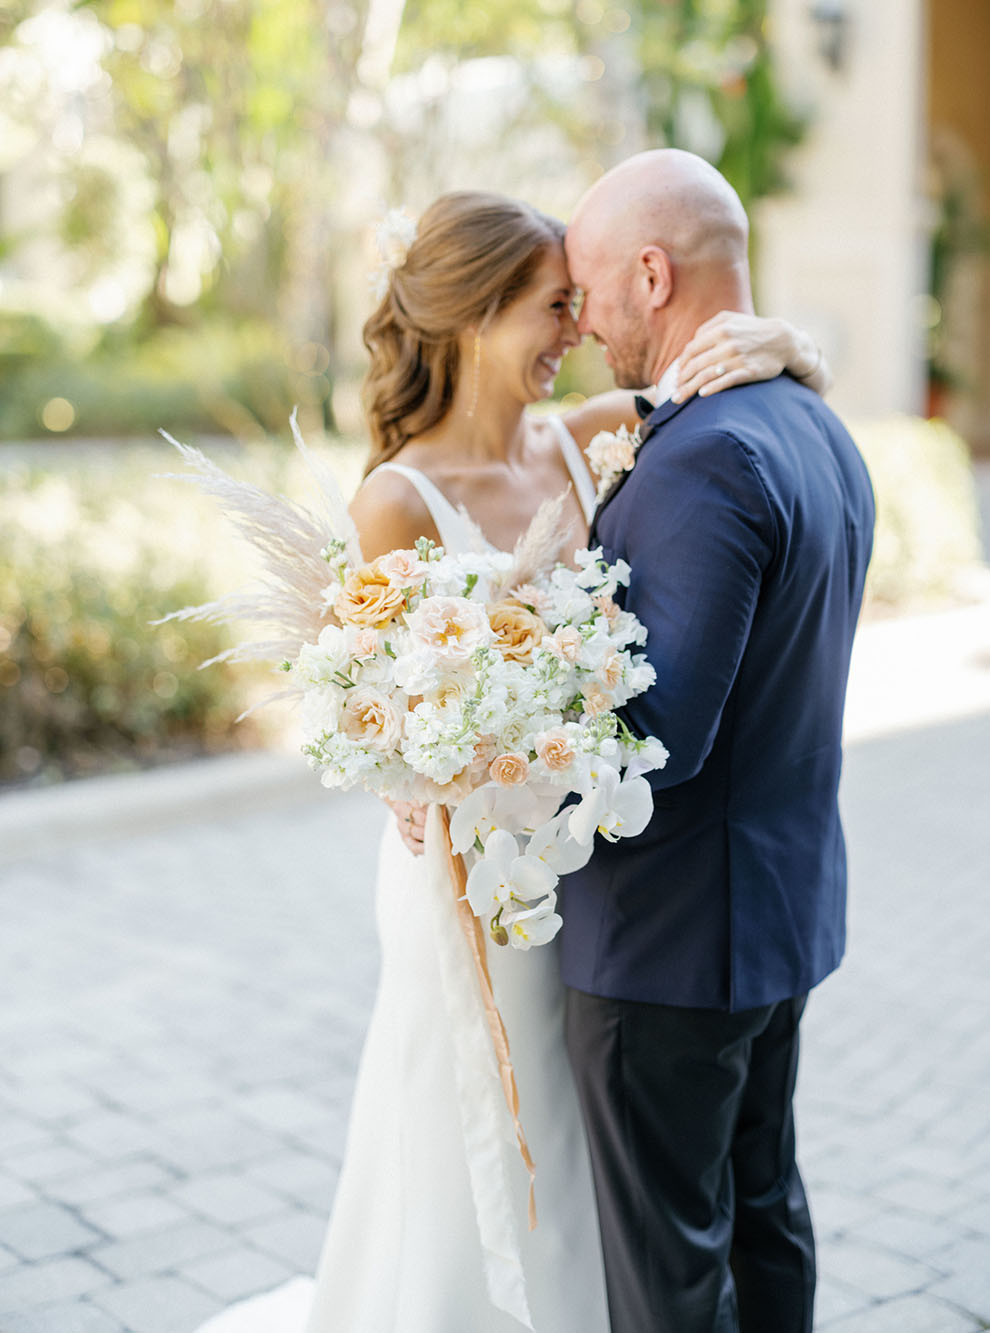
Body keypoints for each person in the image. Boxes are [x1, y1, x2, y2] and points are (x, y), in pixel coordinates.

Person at [195, 189, 832, 1333]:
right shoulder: (396, 500)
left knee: (593, 1145)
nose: (579, 330)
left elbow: (741, 396)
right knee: (479, 1125)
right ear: (477, 317)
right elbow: (375, 701)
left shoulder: (592, 436)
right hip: (467, 879)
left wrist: (790, 341)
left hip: (594, 867)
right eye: (554, 307)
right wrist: (412, 766)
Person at [559, 150, 876, 1333]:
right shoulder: (815, 424)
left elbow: (653, 738)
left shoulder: (704, 460)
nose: (581, 319)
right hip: (772, 916)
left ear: (650, 274)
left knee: (668, 1272)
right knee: (762, 1211)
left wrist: (473, 759)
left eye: (588, 289)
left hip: (671, 939)